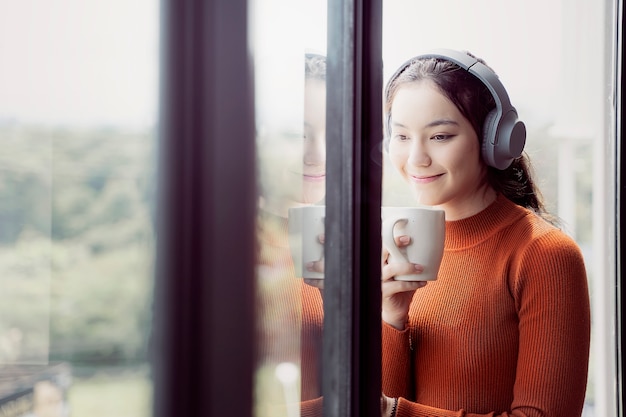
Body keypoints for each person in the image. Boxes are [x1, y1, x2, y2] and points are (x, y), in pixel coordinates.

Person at [379, 49, 591, 417]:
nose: (416, 158)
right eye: (401, 136)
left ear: (495, 139)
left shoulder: (545, 254)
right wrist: (391, 318)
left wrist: (395, 412)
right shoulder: (400, 248)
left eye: (440, 136)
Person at [255, 52, 326, 417]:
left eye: (335, 133)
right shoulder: (222, 242)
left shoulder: (353, 239)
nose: (319, 154)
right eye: (299, 134)